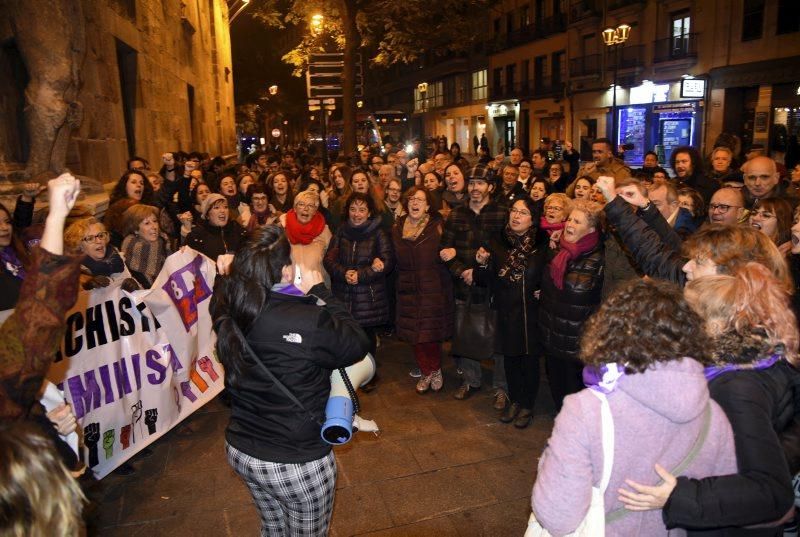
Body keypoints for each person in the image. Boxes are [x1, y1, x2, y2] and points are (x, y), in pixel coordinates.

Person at [531, 279, 737, 536]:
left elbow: (557, 518)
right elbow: (726, 501)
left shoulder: (586, 411)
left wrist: (548, 461)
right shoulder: (713, 414)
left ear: (611, 330)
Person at [211, 226, 370, 536]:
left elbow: (219, 302)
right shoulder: (307, 318)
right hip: (296, 461)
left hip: (243, 450)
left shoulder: (229, 303)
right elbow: (358, 343)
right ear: (286, 271)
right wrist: (321, 292)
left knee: (272, 527)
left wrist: (224, 276)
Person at [619, 263, 800, 535]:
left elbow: (770, 491)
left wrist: (678, 496)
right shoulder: (742, 361)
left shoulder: (735, 387)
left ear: (713, 326)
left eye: (685, 314)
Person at [440, 164, 509, 405]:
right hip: (464, 285)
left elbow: (508, 251)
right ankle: (471, 380)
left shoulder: (503, 213)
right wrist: (463, 271)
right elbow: (445, 249)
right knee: (465, 334)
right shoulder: (457, 214)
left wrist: (480, 272)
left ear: (491, 186)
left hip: (493, 286)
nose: (474, 188)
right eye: (471, 183)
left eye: (480, 183)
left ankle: (502, 387)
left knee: (499, 339)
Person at [474, 198, 542, 428]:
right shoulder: (497, 241)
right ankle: (515, 400)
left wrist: (544, 290)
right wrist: (482, 264)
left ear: (532, 219)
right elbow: (485, 280)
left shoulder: (542, 243)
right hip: (506, 310)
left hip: (533, 312)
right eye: (514, 211)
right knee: (511, 359)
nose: (516, 216)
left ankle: (528, 405)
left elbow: (551, 273)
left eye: (523, 213)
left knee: (530, 361)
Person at [538, 199, 605, 410]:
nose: (569, 224)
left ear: (592, 229)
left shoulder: (601, 259)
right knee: (559, 395)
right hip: (552, 338)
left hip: (578, 347)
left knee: (577, 400)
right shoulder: (559, 250)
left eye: (577, 221)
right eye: (569, 219)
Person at [392, 187, 454, 393]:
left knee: (429, 333)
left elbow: (450, 249)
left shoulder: (437, 226)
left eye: (420, 199)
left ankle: (435, 369)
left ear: (428, 206)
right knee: (414, 334)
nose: (415, 203)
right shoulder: (396, 228)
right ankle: (426, 371)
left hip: (432, 286)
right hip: (407, 288)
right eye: (411, 199)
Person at [324, 192, 395, 360]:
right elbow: (328, 260)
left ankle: (368, 377)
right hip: (343, 294)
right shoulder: (341, 232)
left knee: (367, 338)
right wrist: (343, 273)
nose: (356, 214)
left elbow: (388, 261)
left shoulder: (378, 233)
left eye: (362, 210)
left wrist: (360, 275)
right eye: (353, 209)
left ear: (369, 212)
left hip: (368, 298)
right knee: (346, 338)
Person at [64, 217, 133, 290]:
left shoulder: (116, 258)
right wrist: (88, 286)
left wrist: (134, 287)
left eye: (101, 235)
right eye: (90, 238)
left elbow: (140, 295)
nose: (99, 241)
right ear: (78, 246)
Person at [279, 190, 332, 282]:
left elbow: (332, 260)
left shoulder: (324, 230)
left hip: (316, 287)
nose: (306, 208)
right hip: (289, 288)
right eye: (301, 204)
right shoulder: (282, 228)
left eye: (311, 206)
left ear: (315, 211)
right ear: (295, 208)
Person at [120, 204, 173, 288]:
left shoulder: (164, 243)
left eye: (155, 221)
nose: (154, 226)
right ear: (135, 230)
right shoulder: (128, 255)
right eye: (147, 223)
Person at [185, 193, 248, 263]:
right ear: (207, 215)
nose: (222, 211)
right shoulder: (197, 236)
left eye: (225, 207)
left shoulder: (237, 229)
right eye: (217, 208)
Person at [104, 170, 156, 247]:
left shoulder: (137, 204)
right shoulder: (128, 204)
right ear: (124, 186)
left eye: (141, 183)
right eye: (134, 182)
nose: (139, 185)